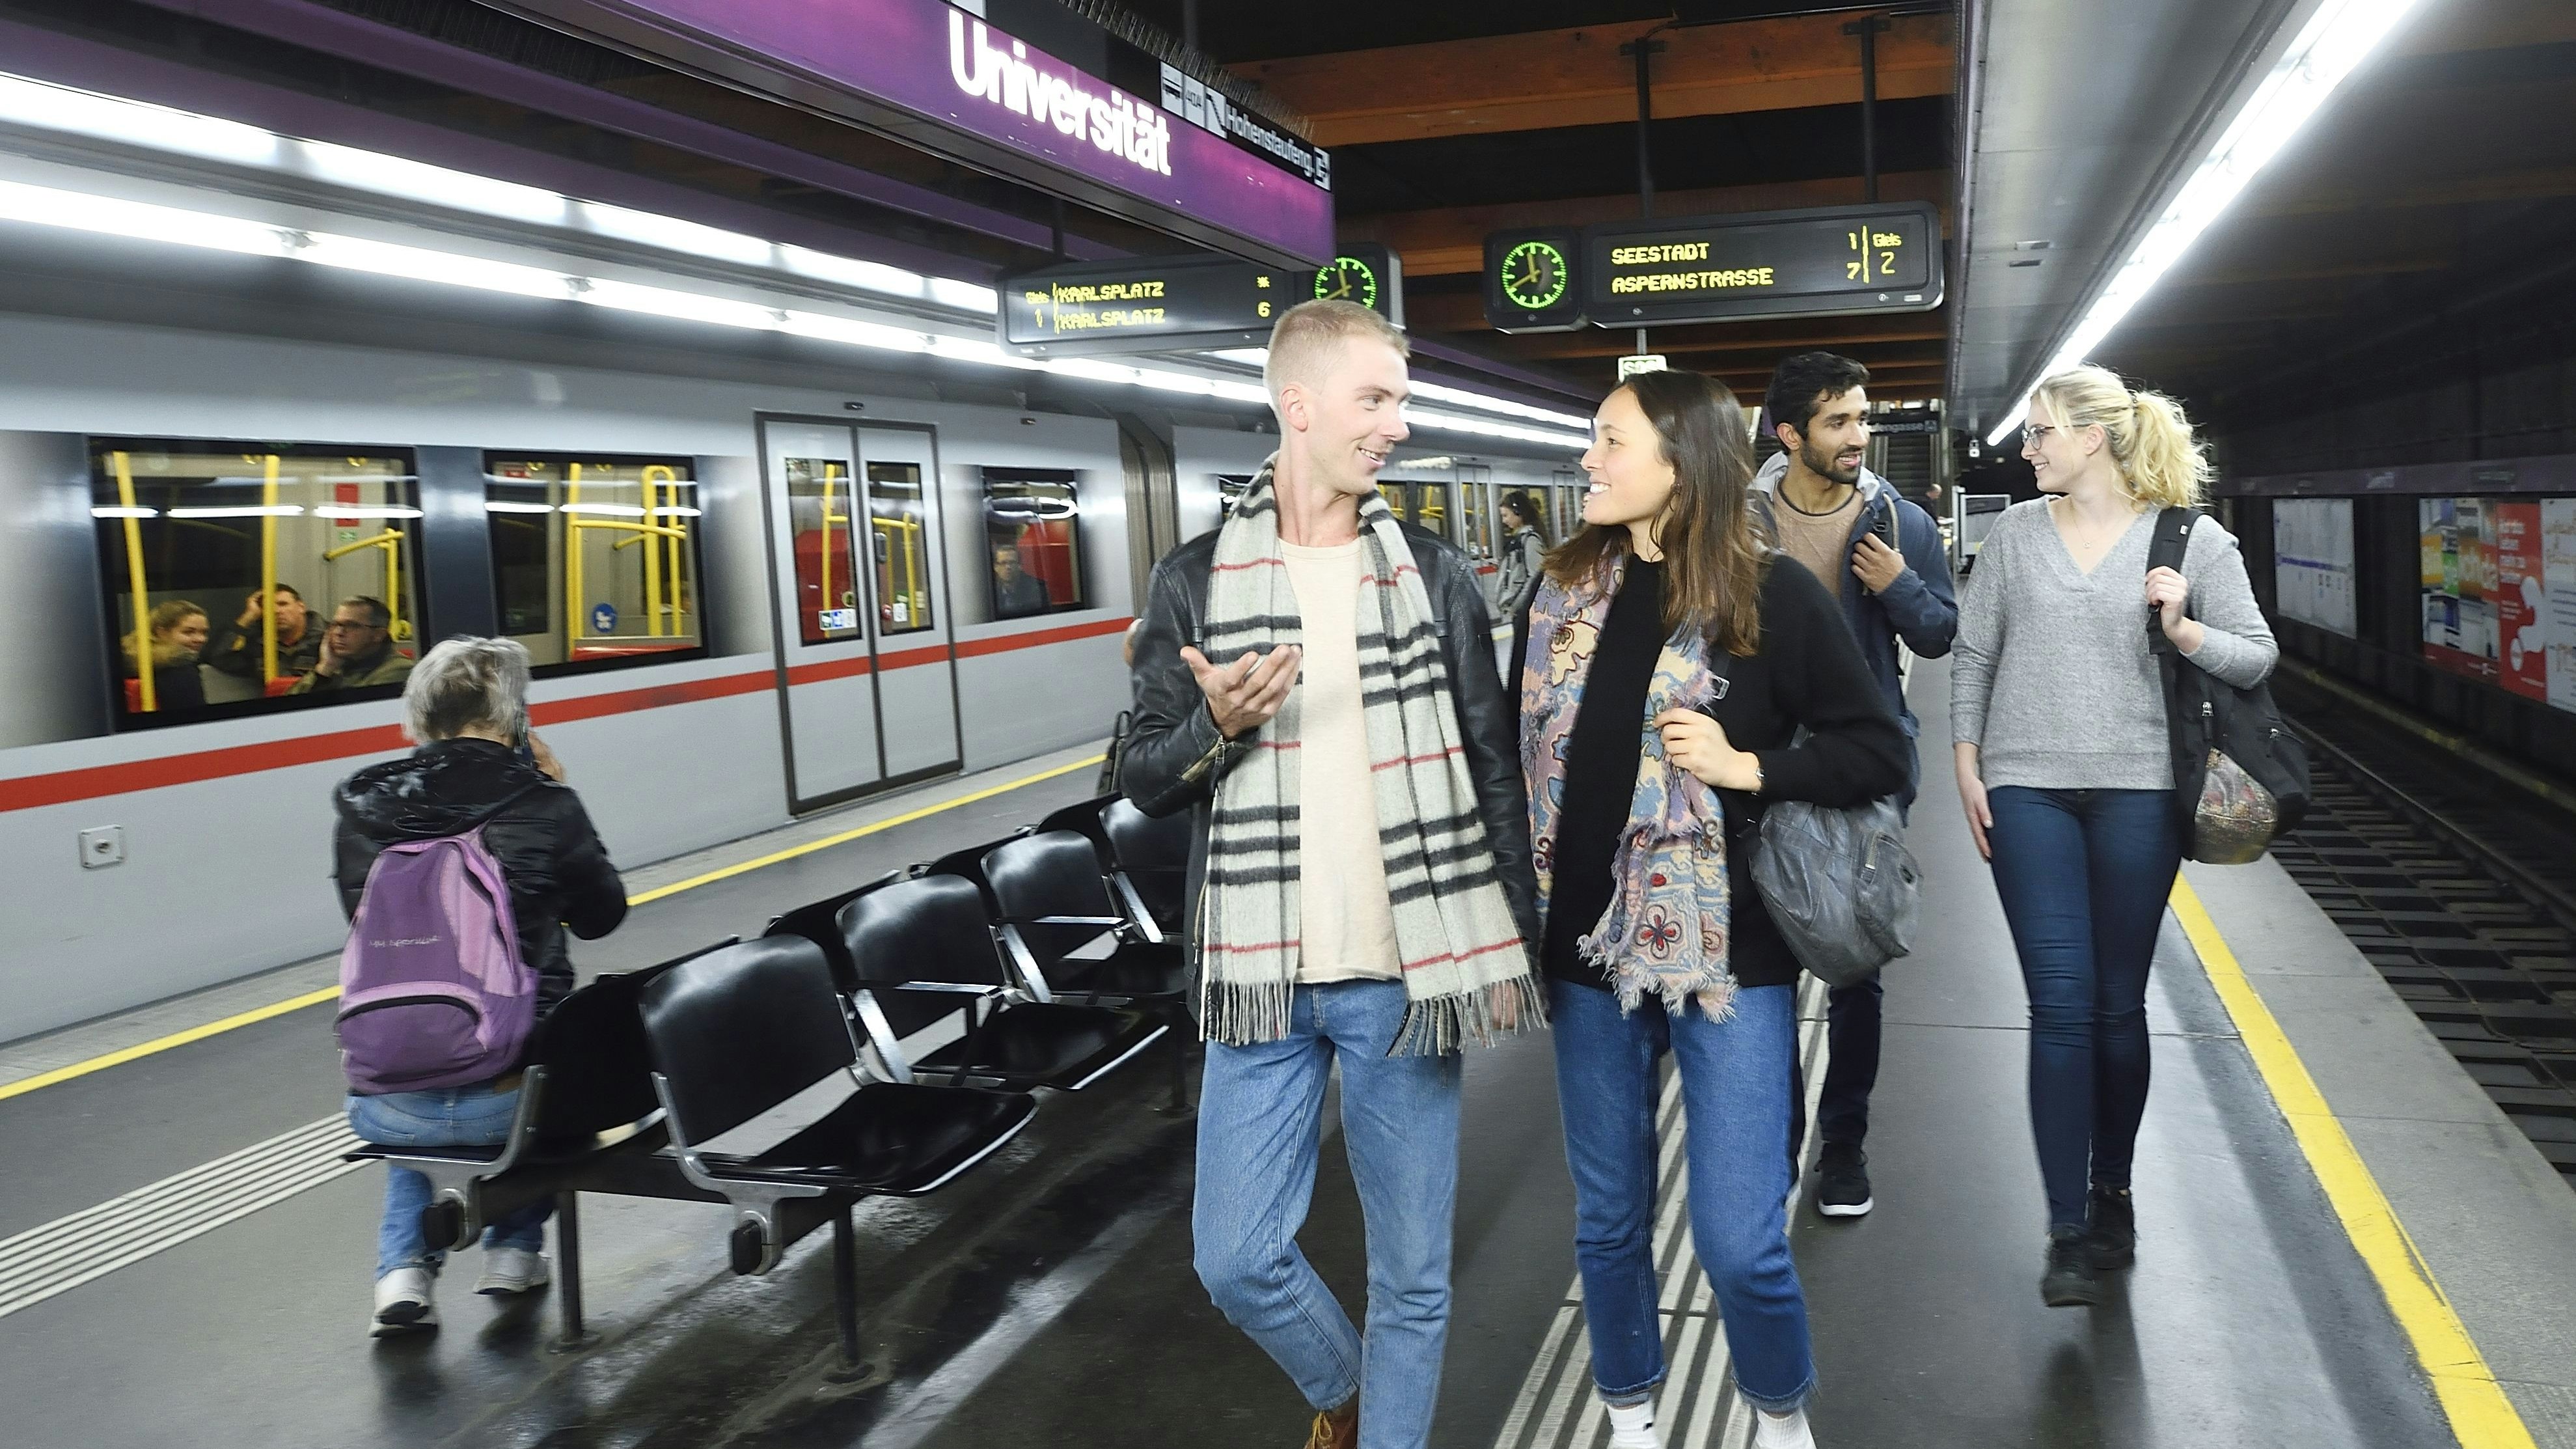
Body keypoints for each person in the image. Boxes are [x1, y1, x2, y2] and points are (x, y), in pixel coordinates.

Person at [1123, 299, 1544, 1449]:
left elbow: (1489, 762)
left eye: (1399, 401)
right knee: (1235, 1256)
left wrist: (1516, 929)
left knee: (1413, 1276)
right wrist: (1210, 725)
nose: (1397, 426)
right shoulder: (1194, 580)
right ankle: (1343, 1388)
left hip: (1405, 972)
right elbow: (1141, 776)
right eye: (1376, 400)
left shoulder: (1435, 574)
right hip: (1260, 977)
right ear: (1296, 407)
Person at [1522, 370, 1906, 1449]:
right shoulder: (1556, 596)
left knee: (1740, 1241)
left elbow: (1876, 748)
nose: (1588, 461)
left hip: (1731, 959)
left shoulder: (1768, 598)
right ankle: (1629, 1408)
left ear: (1679, 465)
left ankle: (1777, 1414)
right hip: (1584, 956)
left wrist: (1748, 768)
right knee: (1609, 1220)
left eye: (1608, 441)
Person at [1951, 365, 2275, 1306]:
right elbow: (1976, 652)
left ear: (2091, 437)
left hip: (2138, 791)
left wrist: (2183, 633)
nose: (2027, 448)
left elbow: (2255, 653)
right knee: (2056, 1002)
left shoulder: (2189, 538)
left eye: (2041, 431)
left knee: (2111, 1003)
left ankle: (2112, 1188)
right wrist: (1968, 759)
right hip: (2026, 788)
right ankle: (2062, 1226)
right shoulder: (2013, 536)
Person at [336, 637, 627, 1336]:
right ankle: (514, 1252)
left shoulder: (365, 810)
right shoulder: (544, 803)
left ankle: (402, 1273)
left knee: (422, 1065)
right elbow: (600, 917)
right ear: (513, 717)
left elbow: (366, 923)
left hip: (386, 1111)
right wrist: (559, 792)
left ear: (420, 718)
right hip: (519, 1109)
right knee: (542, 1050)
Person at [1751, 353, 1958, 1219]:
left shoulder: (1897, 521)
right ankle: (1776, 1137)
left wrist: (1897, 585)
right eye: (1837, 422)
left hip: (1863, 763)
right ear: (1789, 433)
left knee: (1855, 959)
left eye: (1861, 420)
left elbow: (1941, 631)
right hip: (1757, 762)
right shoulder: (1739, 520)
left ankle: (1843, 1144)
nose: (1857, 437)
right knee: (1761, 960)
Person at [288, 596, 413, 695]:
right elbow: (288, 709)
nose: (339, 633)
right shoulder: (335, 666)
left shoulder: (399, 670)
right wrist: (325, 668)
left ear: (378, 635)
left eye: (352, 626)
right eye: (336, 625)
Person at [204, 584, 320, 681]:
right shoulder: (258, 646)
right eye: (268, 606)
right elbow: (219, 658)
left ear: (301, 607)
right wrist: (248, 617)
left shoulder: (326, 639)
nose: (276, 611)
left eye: (283, 604)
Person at [124, 599, 209, 714]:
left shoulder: (132, 661)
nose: (201, 639)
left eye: (204, 633)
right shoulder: (179, 668)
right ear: (162, 633)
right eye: (188, 632)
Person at [1490, 490, 1549, 622]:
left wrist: (1517, 606)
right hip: (1521, 611)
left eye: (1506, 515)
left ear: (1518, 513)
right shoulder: (1519, 539)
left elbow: (1535, 577)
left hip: (1524, 612)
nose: (1504, 521)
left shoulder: (1530, 540)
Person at [991, 544, 1050, 618]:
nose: (1008, 567)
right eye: (1003, 563)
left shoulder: (1037, 589)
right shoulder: (989, 592)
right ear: (996, 567)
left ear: (1020, 566)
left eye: (1012, 563)